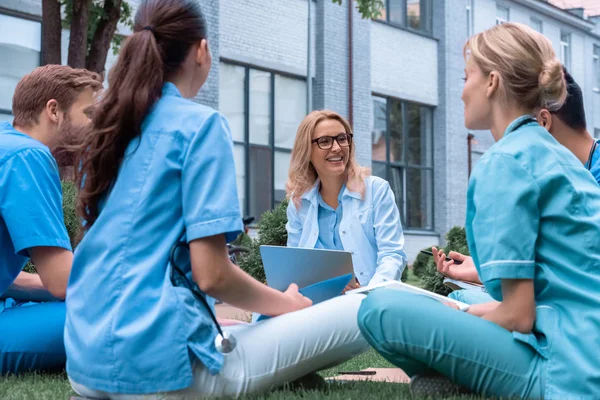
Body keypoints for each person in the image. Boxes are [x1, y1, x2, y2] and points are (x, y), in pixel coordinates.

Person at [65, 1, 368, 398]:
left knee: (243, 328)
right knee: (365, 309)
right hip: (163, 375)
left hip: (86, 364)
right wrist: (286, 304)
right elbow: (213, 274)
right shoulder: (201, 126)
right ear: (202, 51)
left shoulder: (106, 132)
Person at [357, 22, 600, 399]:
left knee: (379, 310)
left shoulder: (505, 160)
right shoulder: (559, 156)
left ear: (492, 82)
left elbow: (519, 315)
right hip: (585, 344)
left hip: (565, 370)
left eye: (466, 76)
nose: (461, 91)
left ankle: (456, 382)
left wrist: (462, 319)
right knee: (457, 300)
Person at [438, 66, 600, 306]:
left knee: (456, 303)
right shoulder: (570, 173)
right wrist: (492, 269)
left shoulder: (561, 177)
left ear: (543, 121)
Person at [0, 65, 101, 374]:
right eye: (89, 115)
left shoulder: (8, 143)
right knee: (114, 315)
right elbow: (62, 282)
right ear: (54, 111)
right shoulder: (28, 156)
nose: (96, 129)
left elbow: (16, 281)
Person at [286, 110, 407, 291]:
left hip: (370, 301)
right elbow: (293, 267)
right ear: (307, 151)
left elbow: (392, 255)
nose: (336, 147)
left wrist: (366, 293)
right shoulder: (298, 204)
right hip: (318, 302)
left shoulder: (377, 190)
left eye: (342, 138)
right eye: (325, 141)